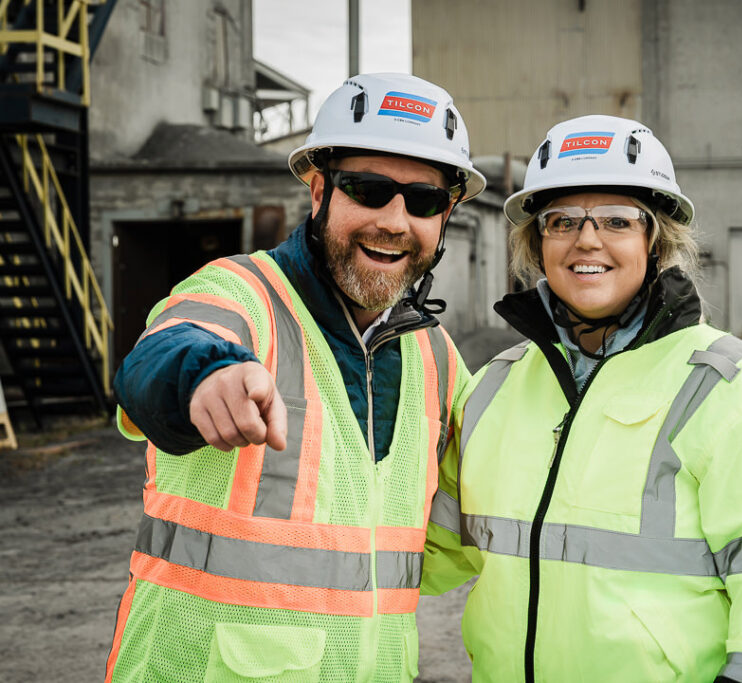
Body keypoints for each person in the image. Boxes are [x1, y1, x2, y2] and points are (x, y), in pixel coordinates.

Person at [423, 115, 742, 682]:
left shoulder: (732, 388)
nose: (586, 239)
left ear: (655, 239)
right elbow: (424, 554)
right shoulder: (495, 385)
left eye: (617, 220)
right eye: (562, 220)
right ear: (538, 244)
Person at [105, 73, 485, 682]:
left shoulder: (435, 356)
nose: (394, 220)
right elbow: (161, 354)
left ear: (446, 215)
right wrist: (206, 376)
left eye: (423, 200)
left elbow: (447, 539)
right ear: (318, 191)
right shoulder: (241, 294)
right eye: (368, 189)